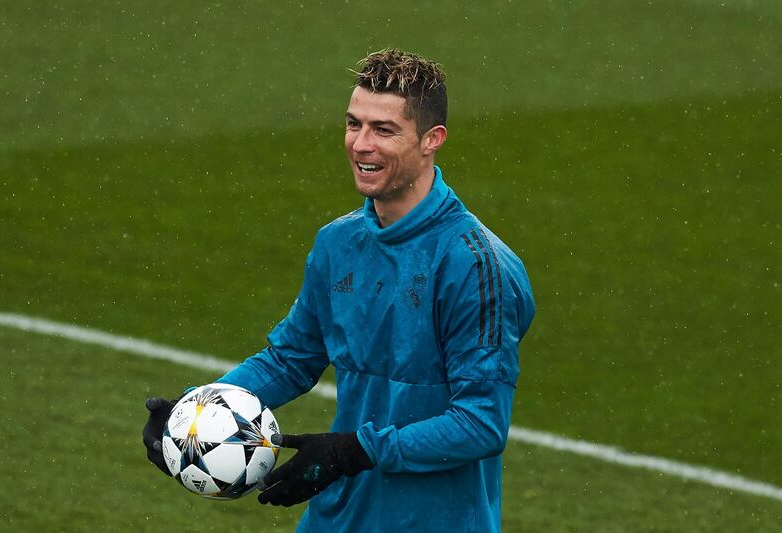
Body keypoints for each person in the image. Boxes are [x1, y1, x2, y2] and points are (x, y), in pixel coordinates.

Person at [143, 48, 535, 532]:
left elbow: (480, 425)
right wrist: (194, 414)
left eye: (383, 130)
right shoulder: (337, 243)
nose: (361, 145)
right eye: (354, 124)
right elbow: (291, 358)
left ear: (432, 140)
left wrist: (354, 451)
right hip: (336, 519)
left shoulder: (475, 266)